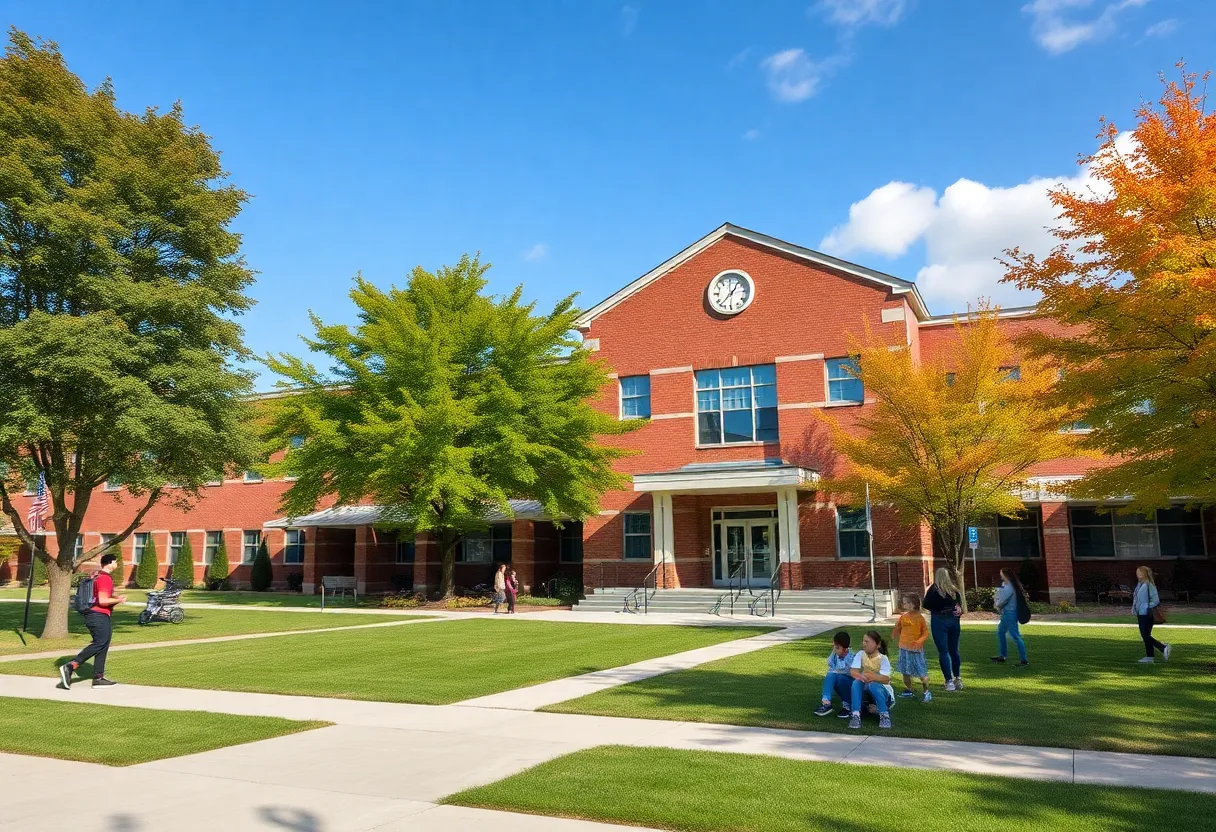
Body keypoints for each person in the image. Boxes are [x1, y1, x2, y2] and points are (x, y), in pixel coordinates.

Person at [58, 553, 125, 690]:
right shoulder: (105, 578)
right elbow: (103, 601)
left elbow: (98, 596)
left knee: (103, 644)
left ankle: (98, 678)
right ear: (110, 563)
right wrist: (119, 600)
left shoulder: (97, 576)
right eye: (115, 561)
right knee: (100, 642)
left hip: (95, 615)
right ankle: (71, 666)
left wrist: (114, 598)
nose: (117, 564)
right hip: (98, 615)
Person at [924, 567, 964, 691]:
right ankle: (958, 678)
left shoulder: (934, 591)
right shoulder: (954, 591)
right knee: (954, 650)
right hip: (953, 620)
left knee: (943, 651)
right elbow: (959, 608)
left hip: (939, 620)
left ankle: (949, 681)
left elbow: (926, 604)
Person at [848, 630, 895, 730]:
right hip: (867, 693)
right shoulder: (861, 654)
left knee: (873, 684)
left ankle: (884, 715)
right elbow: (853, 671)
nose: (864, 644)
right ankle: (855, 715)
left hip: (884, 694)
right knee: (856, 682)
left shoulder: (883, 659)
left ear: (878, 645)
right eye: (863, 641)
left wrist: (871, 676)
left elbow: (886, 679)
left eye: (867, 642)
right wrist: (861, 676)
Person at [892, 595, 931, 702]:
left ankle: (926, 692)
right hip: (904, 648)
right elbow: (898, 628)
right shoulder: (903, 617)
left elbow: (925, 632)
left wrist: (919, 641)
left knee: (921, 672)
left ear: (913, 604)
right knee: (905, 671)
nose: (903, 605)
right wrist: (894, 633)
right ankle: (908, 689)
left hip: (915, 650)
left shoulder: (920, 618)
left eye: (906, 602)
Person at [991, 567, 1029, 666]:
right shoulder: (1010, 586)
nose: (1001, 577)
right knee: (1001, 632)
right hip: (1007, 613)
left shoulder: (1009, 587)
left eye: (1002, 574)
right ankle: (1002, 656)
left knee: (1015, 636)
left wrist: (996, 602)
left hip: (1009, 614)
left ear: (1005, 575)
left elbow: (1002, 601)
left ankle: (1024, 660)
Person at [1133, 566, 1170, 664]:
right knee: (1145, 635)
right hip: (1140, 613)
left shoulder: (1149, 585)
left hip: (1147, 613)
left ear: (1144, 573)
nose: (1137, 574)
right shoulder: (1140, 585)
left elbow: (1155, 600)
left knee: (1145, 635)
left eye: (1139, 572)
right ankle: (1150, 656)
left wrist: (1146, 606)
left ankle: (1163, 647)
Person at [813, 631, 855, 718]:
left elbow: (845, 671)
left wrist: (835, 671)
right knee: (831, 674)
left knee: (836, 675)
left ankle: (848, 706)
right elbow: (830, 662)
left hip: (852, 685)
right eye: (834, 647)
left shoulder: (851, 657)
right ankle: (826, 702)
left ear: (845, 648)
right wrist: (834, 651)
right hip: (841, 681)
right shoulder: (836, 654)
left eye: (837, 647)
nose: (835, 649)